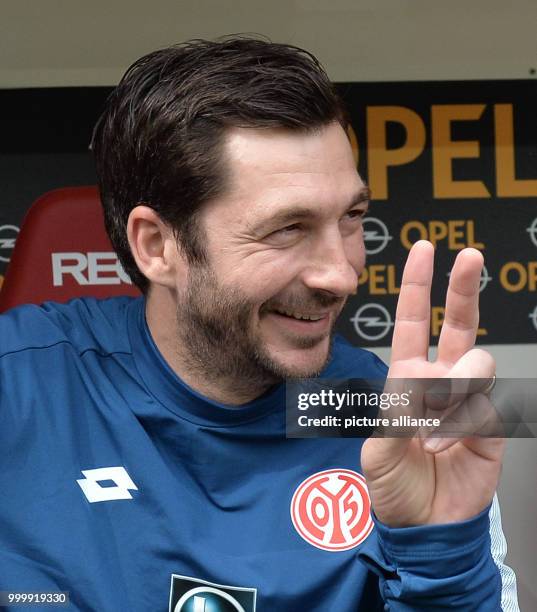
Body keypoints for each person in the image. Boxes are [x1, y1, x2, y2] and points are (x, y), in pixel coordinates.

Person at [0, 36, 519, 611]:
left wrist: (442, 559)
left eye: (351, 217)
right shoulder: (21, 386)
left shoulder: (402, 417)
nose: (342, 276)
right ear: (158, 246)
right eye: (287, 228)